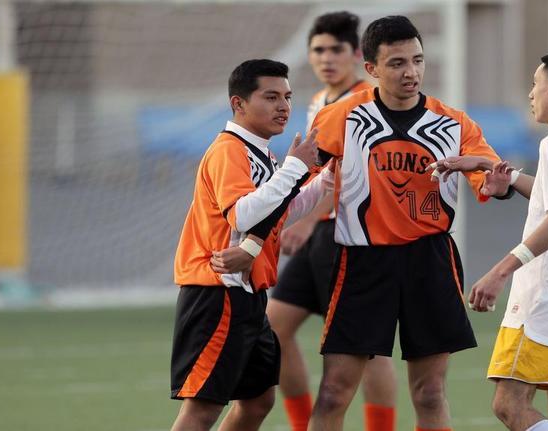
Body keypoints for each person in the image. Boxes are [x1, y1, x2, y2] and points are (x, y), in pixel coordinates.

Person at [307, 16, 507, 431]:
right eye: (397, 63)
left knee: (429, 393)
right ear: (372, 69)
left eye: (417, 60)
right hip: (362, 262)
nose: (411, 72)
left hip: (429, 260)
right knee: (332, 393)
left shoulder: (454, 124)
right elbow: (303, 180)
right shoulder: (340, 117)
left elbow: (489, 179)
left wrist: (499, 182)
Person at [434, 51, 548, 431]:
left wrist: (501, 271)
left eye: (535, 84)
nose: (530, 94)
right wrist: (492, 166)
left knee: (509, 404)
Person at [170, 59, 331, 431]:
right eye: (271, 96)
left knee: (258, 400)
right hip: (217, 293)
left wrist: (325, 177)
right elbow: (242, 216)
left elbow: (280, 212)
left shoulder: (264, 153)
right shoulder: (230, 149)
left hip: (248, 294)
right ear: (238, 104)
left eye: (288, 97)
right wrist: (294, 167)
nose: (284, 107)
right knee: (203, 408)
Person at [267, 11, 397, 431]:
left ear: (357, 54)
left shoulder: (365, 100)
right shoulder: (318, 101)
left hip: (354, 234)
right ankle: (303, 423)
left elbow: (349, 174)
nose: (326, 58)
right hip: (322, 234)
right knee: (274, 327)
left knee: (367, 348)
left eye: (335, 49)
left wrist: (306, 221)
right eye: (318, 50)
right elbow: (321, 171)